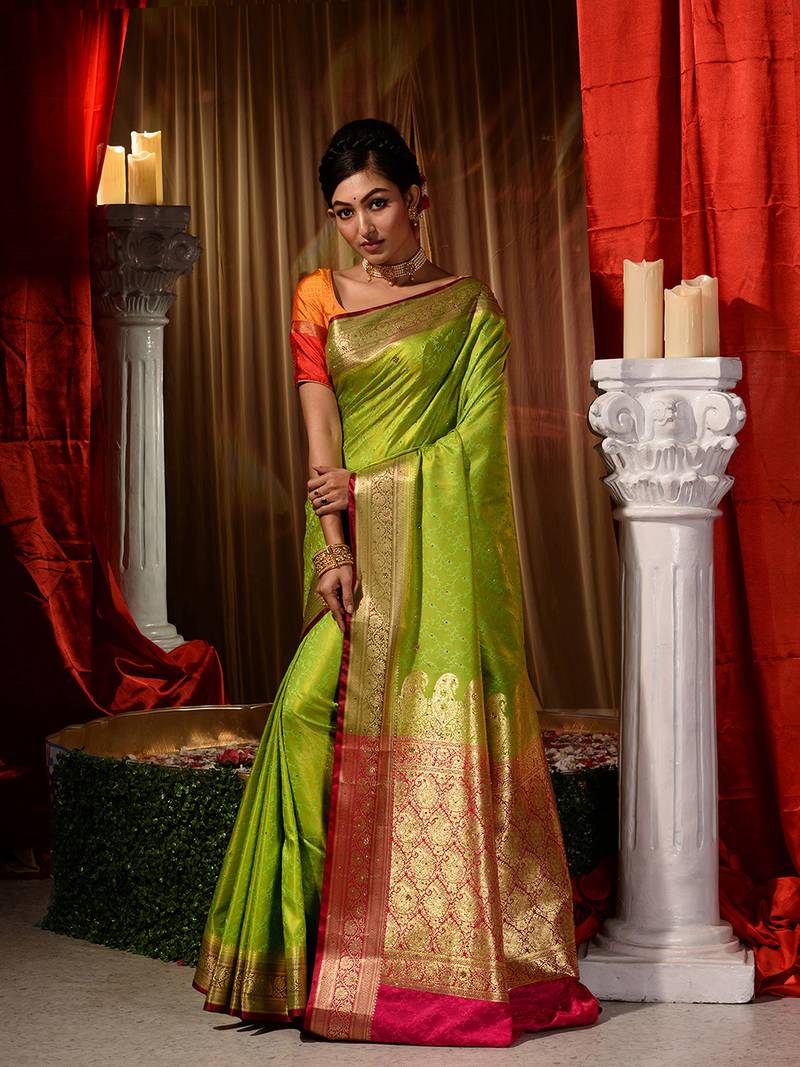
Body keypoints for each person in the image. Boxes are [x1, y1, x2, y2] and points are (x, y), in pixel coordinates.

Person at [193, 118, 598, 1046]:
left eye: (377, 203)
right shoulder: (318, 296)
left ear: (418, 197)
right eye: (344, 212)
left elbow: (477, 450)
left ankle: (400, 966)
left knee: (415, 728)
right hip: (349, 541)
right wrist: (333, 547)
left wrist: (372, 492)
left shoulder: (472, 310)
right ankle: (298, 964)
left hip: (432, 549)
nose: (363, 228)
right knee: (306, 713)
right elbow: (321, 434)